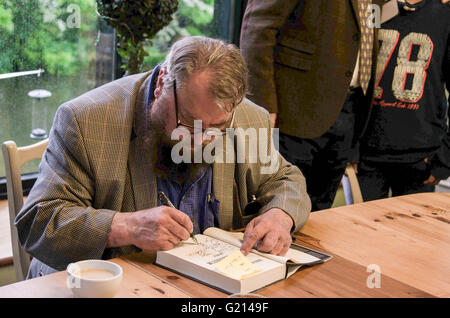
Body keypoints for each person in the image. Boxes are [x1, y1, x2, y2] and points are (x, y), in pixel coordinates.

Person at [15, 36, 311, 278]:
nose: (202, 140)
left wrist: (279, 215)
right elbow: (38, 222)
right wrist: (126, 226)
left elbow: (286, 179)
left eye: (217, 128)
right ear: (161, 86)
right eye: (188, 122)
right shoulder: (84, 120)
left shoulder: (251, 118)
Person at [240, 0, 384, 211]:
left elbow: (367, 31)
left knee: (320, 212)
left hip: (350, 108)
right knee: (276, 208)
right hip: (292, 109)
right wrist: (263, 106)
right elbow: (257, 28)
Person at [356, 0, 450, 199]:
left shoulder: (444, 14)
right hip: (365, 155)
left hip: (421, 159)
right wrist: (347, 149)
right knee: (361, 228)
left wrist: (444, 159)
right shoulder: (372, 7)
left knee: (413, 229)